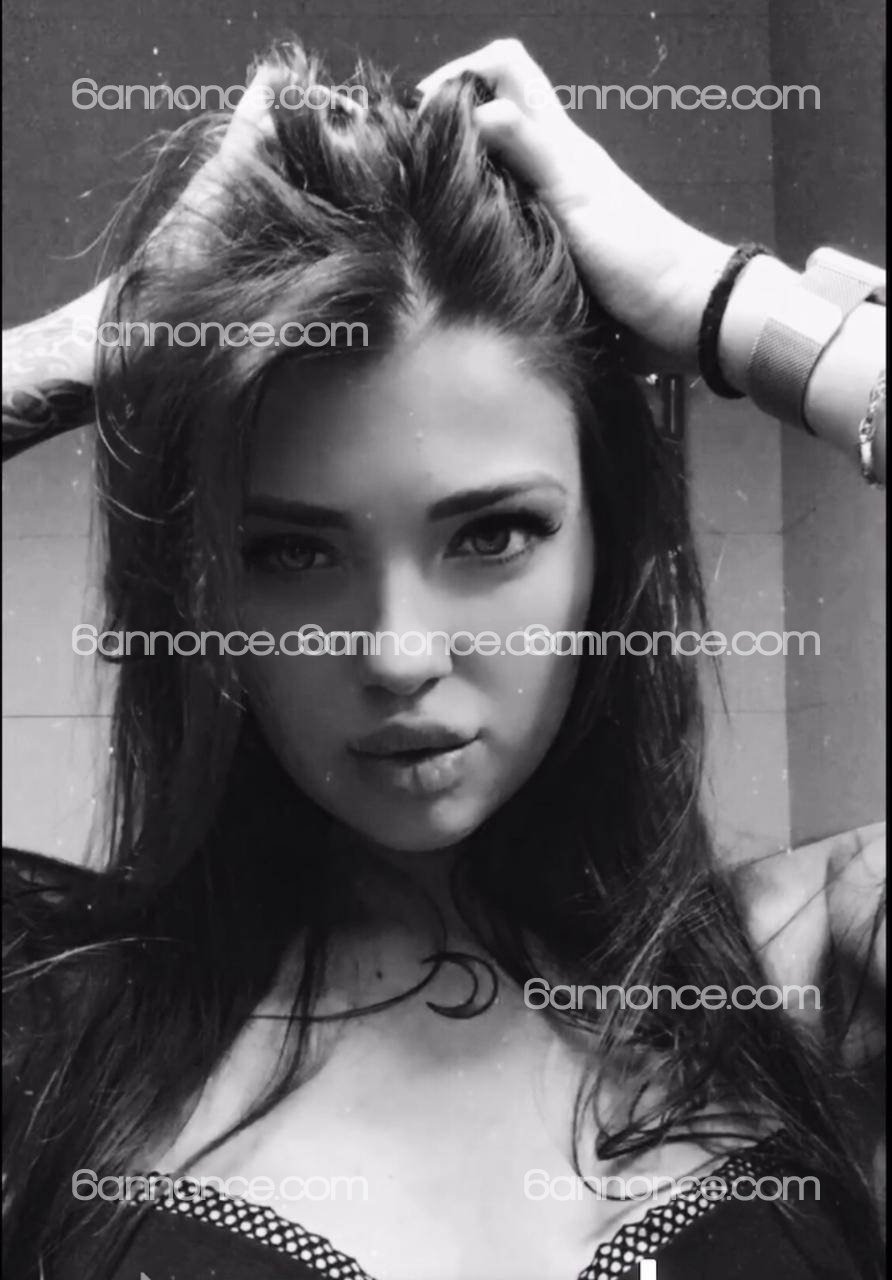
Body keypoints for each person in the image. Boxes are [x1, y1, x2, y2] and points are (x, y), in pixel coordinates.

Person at [2, 37, 885, 1280]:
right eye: (290, 552)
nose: (399, 653)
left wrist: (732, 306)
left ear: (606, 543)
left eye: (491, 533)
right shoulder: (54, 1025)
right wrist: (103, 341)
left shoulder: (815, 976)